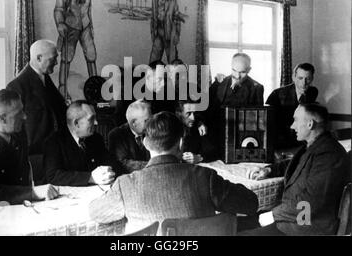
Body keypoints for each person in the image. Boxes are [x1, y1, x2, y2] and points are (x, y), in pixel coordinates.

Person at [88, 111, 258, 233]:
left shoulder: (125, 185)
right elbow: (251, 203)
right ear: (181, 142)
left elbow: (96, 213)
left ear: (146, 143)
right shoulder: (205, 177)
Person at [243, 103, 349, 235]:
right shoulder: (316, 146)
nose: (292, 126)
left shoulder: (329, 155)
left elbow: (311, 203)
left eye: (296, 120)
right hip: (294, 220)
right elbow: (295, 165)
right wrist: (268, 170)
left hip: (304, 228)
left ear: (310, 124)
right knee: (238, 223)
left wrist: (273, 215)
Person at [0, 89, 59, 207]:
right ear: (2, 118)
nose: (25, 116)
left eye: (23, 110)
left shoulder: (19, 135)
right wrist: (31, 193)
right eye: (19, 113)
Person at [6, 39, 67, 156]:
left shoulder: (45, 78)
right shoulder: (16, 86)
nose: (56, 63)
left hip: (53, 150)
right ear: (39, 58)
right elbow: (14, 129)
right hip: (35, 154)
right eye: (53, 59)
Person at [43, 101, 117, 186]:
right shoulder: (54, 142)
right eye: (92, 119)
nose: (96, 123)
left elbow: (110, 161)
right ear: (76, 123)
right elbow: (53, 176)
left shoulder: (96, 138)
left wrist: (109, 171)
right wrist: (90, 177)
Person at [54, 0, 97, 99]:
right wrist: (60, 24)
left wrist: (91, 27)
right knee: (66, 58)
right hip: (70, 27)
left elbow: (88, 9)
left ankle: (96, 91)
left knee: (91, 55)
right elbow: (58, 9)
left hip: (85, 26)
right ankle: (62, 91)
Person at [206, 53, 264, 156]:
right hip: (215, 137)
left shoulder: (257, 88)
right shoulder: (219, 82)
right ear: (231, 67)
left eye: (242, 72)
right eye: (234, 70)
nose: (237, 76)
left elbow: (256, 119)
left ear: (249, 70)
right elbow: (208, 108)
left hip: (240, 138)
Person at [266, 63, 318, 150]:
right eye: (300, 78)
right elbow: (269, 122)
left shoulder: (313, 92)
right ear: (293, 77)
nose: (304, 83)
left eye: (308, 79)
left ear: (312, 78)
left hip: (303, 140)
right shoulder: (277, 94)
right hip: (282, 141)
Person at [108, 100, 152, 174]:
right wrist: (152, 165)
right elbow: (122, 163)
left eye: (151, 119)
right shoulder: (116, 135)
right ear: (134, 123)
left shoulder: (153, 131)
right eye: (146, 121)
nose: (151, 123)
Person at [149, 0, 183, 64]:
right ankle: (151, 78)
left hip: (169, 33)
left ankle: (173, 78)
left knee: (172, 61)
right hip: (158, 32)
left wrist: (177, 35)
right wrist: (152, 32)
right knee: (153, 61)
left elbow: (177, 19)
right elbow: (153, 16)